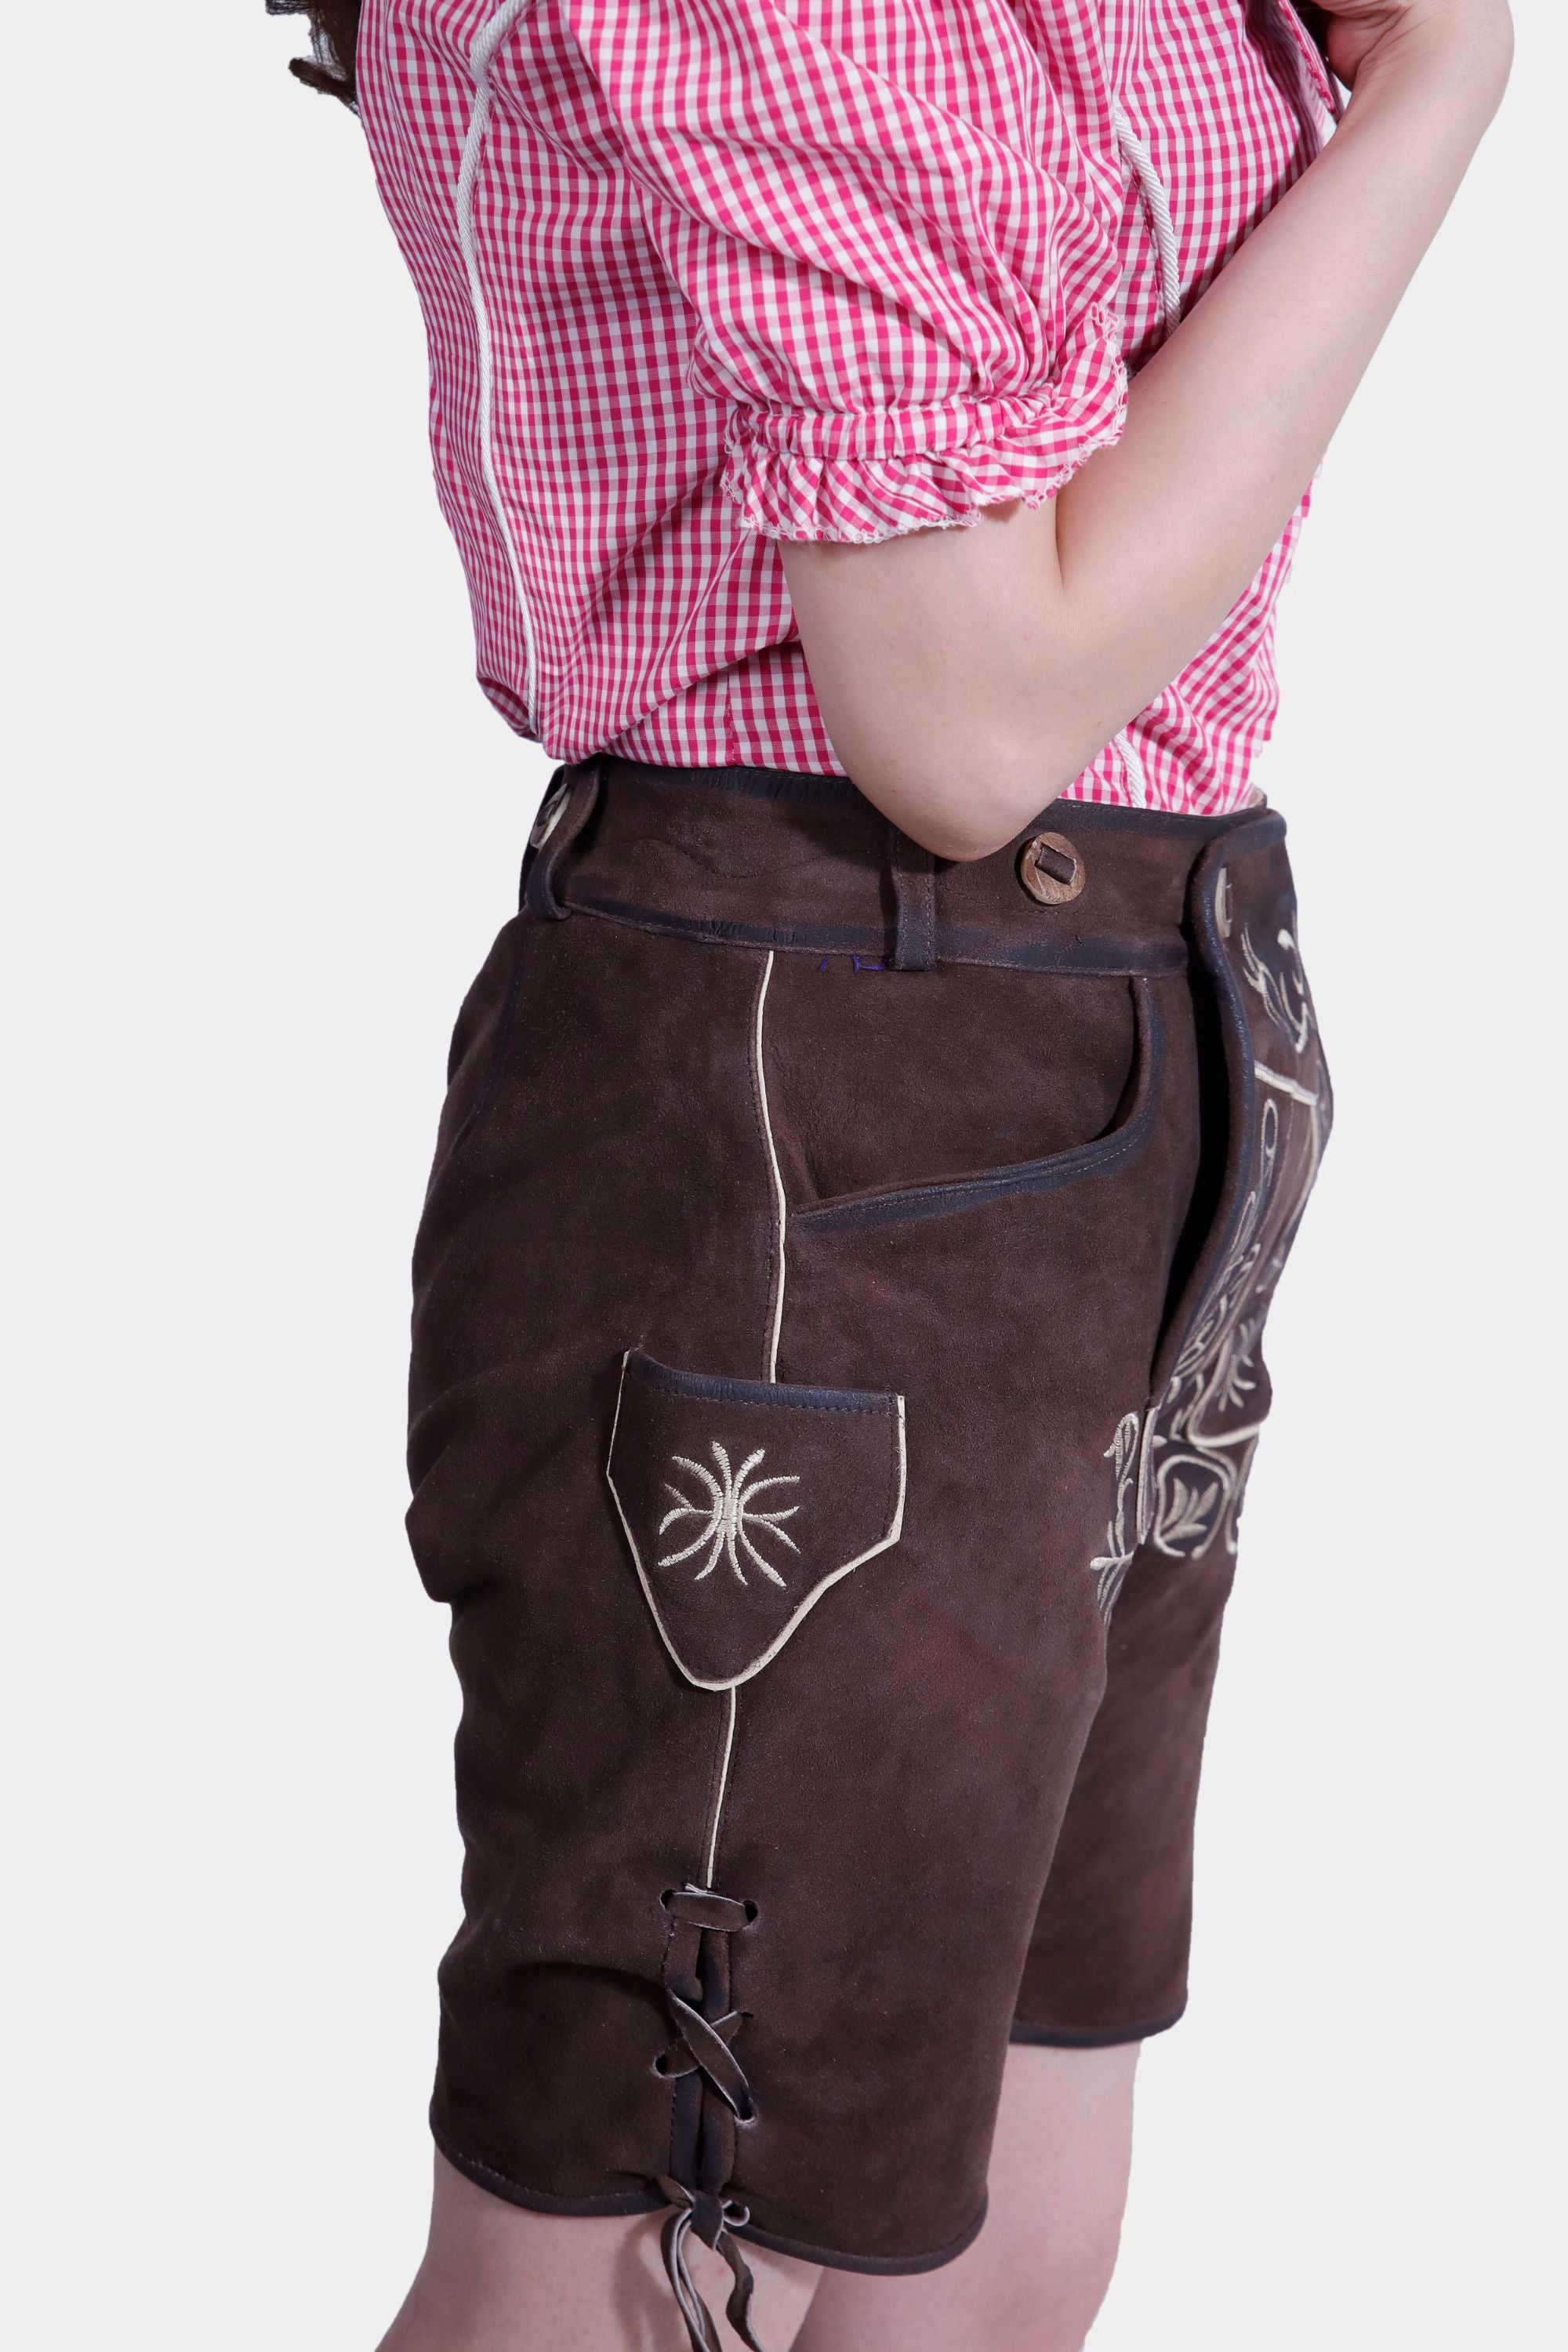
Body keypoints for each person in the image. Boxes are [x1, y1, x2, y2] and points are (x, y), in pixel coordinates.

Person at [272, 2, 1509, 2345]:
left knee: (978, 2253)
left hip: (1143, 1045)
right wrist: (1448, 80)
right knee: (647, 2263)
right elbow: (960, 714)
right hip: (825, 1098)